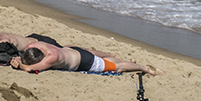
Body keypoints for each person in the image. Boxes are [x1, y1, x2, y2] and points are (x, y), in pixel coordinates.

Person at [11, 40, 159, 75]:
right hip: (72, 51)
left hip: (84, 62)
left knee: (116, 67)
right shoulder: (33, 46)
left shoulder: (51, 58)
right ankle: (114, 55)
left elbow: (29, 68)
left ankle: (143, 68)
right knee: (94, 53)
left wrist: (19, 64)